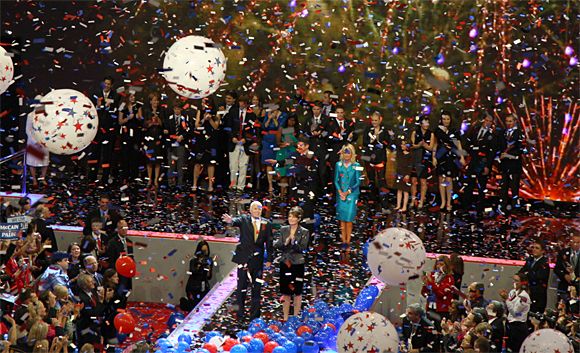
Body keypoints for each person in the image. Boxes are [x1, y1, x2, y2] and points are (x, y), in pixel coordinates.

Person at [222, 201, 273, 321]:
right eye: (255, 208)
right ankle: (240, 315)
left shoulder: (267, 223)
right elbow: (236, 221)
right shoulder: (244, 219)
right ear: (250, 210)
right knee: (241, 287)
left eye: (259, 209)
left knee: (257, 288)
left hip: (258, 260)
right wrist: (231, 221)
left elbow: (269, 243)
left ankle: (254, 315)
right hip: (244, 259)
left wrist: (269, 259)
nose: (257, 210)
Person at [274, 207, 310, 321]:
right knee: (286, 291)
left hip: (298, 264)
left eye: (294, 216)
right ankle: (285, 317)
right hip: (285, 263)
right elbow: (277, 245)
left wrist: (294, 242)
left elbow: (303, 248)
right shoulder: (284, 229)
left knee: (297, 291)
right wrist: (285, 242)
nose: (291, 218)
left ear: (299, 218)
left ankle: (295, 317)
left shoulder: (304, 231)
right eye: (289, 216)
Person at [462, 112, 498, 213]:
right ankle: (466, 206)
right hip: (472, 162)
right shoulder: (475, 130)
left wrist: (487, 166)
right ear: (483, 120)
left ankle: (480, 208)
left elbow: (492, 153)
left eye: (490, 122)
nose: (488, 123)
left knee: (482, 186)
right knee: (469, 184)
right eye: (486, 120)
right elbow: (467, 143)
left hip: (483, 163)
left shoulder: (492, 135)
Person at [433, 110, 466, 211]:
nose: (446, 121)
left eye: (447, 119)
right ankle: (442, 202)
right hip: (440, 157)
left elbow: (458, 145)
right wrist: (433, 157)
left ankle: (448, 202)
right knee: (441, 180)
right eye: (444, 119)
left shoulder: (454, 131)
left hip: (451, 157)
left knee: (449, 180)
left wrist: (462, 157)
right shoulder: (437, 131)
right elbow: (435, 144)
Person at [89, 76, 120, 184]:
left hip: (109, 129)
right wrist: (98, 106)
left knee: (107, 154)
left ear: (111, 85)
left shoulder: (115, 96)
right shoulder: (96, 94)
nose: (106, 86)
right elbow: (91, 110)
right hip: (97, 129)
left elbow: (115, 111)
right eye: (105, 83)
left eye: (109, 84)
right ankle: (92, 177)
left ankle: (105, 178)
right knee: (95, 152)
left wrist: (108, 107)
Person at [225, 95, 258, 192]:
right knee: (233, 165)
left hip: (245, 144)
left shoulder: (251, 115)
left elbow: (253, 130)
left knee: (243, 165)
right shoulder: (233, 112)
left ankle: (240, 187)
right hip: (234, 143)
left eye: (243, 102)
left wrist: (246, 139)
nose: (241, 104)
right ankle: (233, 185)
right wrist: (232, 137)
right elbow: (228, 127)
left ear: (247, 104)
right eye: (240, 102)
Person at [334, 144, 361, 248]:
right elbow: (336, 180)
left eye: (348, 153)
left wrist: (348, 192)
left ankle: (348, 241)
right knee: (342, 218)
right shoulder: (338, 164)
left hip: (352, 195)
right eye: (345, 152)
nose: (346, 155)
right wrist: (340, 191)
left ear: (352, 154)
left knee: (349, 219)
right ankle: (343, 240)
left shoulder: (357, 165)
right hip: (340, 194)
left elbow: (358, 182)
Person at [361, 111, 389, 209]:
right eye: (372, 120)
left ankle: (384, 203)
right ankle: (372, 200)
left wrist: (380, 143)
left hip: (380, 158)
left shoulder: (384, 130)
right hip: (368, 158)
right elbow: (364, 142)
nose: (374, 122)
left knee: (381, 181)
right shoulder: (368, 129)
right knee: (371, 180)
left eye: (376, 120)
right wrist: (370, 142)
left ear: (380, 119)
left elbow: (387, 142)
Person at [193, 98, 221, 192]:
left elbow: (216, 126)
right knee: (197, 162)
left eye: (205, 103)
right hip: (201, 140)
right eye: (202, 102)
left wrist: (210, 120)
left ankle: (210, 185)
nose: (203, 104)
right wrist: (204, 119)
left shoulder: (216, 113)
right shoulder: (200, 111)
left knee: (211, 163)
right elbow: (197, 125)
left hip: (212, 141)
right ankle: (194, 184)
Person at [498, 114, 524, 213]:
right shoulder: (502, 133)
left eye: (510, 121)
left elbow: (520, 150)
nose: (508, 123)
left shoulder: (519, 134)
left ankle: (514, 208)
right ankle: (503, 207)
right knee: (503, 187)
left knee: (514, 188)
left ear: (515, 121)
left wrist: (508, 155)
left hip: (514, 166)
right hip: (504, 165)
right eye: (507, 121)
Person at [499, 273, 531, 353]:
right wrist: (504, 299)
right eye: (513, 280)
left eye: (516, 281)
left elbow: (515, 313)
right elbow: (509, 307)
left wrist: (506, 299)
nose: (514, 282)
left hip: (519, 327)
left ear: (523, 283)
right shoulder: (512, 292)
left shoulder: (524, 297)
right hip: (510, 325)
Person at [118, 91, 144, 183]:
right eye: (131, 96)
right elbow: (120, 121)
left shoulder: (138, 106)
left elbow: (141, 118)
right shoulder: (123, 106)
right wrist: (128, 118)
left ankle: (134, 176)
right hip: (125, 133)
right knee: (125, 154)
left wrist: (138, 117)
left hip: (136, 133)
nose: (133, 98)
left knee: (135, 155)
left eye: (134, 96)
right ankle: (125, 175)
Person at [142, 92, 167, 189]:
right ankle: (149, 179)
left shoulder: (162, 110)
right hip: (149, 137)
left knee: (157, 160)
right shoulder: (147, 111)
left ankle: (156, 179)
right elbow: (144, 124)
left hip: (158, 138)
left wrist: (158, 119)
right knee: (149, 160)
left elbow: (163, 123)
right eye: (154, 100)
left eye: (157, 100)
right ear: (150, 101)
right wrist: (151, 122)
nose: (156, 102)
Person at [261, 100, 287, 193]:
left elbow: (280, 126)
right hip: (267, 141)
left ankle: (281, 187)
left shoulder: (284, 115)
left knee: (279, 163)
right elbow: (264, 126)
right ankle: (270, 185)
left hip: (278, 140)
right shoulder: (268, 113)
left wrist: (275, 118)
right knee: (268, 163)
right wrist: (269, 118)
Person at [164, 100, 191, 189]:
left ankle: (180, 183)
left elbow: (188, 130)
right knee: (171, 164)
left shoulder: (184, 119)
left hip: (181, 144)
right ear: (173, 109)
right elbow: (166, 130)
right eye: (175, 109)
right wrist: (168, 133)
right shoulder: (169, 119)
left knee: (180, 164)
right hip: (171, 145)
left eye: (178, 109)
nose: (177, 111)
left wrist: (182, 136)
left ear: (181, 110)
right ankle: (171, 182)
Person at [518, 240, 550, 313]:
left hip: (538, 295)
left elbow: (538, 277)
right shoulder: (530, 260)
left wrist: (527, 274)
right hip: (527, 292)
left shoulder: (544, 263)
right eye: (533, 247)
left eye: (537, 248)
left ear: (542, 251)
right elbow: (521, 272)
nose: (534, 249)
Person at [410, 116, 435, 209]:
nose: (426, 124)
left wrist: (424, 145)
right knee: (413, 180)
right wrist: (418, 145)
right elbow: (412, 146)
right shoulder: (415, 133)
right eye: (425, 122)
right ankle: (413, 200)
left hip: (425, 159)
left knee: (423, 181)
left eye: (428, 122)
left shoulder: (431, 134)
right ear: (420, 123)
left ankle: (421, 201)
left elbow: (431, 148)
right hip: (416, 158)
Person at [421, 255, 455, 320]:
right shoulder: (432, 275)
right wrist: (425, 284)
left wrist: (431, 282)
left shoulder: (449, 278)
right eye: (437, 264)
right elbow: (424, 294)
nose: (439, 266)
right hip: (430, 309)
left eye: (441, 264)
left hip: (442, 311)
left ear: (447, 266)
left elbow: (441, 294)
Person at [25, 111, 50, 189]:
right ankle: (34, 180)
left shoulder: (48, 114)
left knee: (45, 162)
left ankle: (43, 178)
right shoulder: (30, 115)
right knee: (32, 162)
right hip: (33, 142)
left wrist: (45, 140)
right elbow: (27, 130)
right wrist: (35, 141)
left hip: (44, 142)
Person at [554, 234, 580, 303]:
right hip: (564, 287)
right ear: (570, 242)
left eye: (578, 242)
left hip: (578, 289)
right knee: (562, 309)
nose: (575, 244)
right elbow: (556, 269)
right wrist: (564, 275)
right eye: (574, 242)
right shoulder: (563, 252)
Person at [394, 139, 413, 212]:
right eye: (401, 144)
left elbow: (410, 166)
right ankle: (398, 205)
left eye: (404, 144)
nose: (402, 145)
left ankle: (404, 206)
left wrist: (408, 174)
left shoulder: (410, 155)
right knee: (399, 190)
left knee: (405, 191)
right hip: (399, 173)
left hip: (406, 174)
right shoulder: (400, 153)